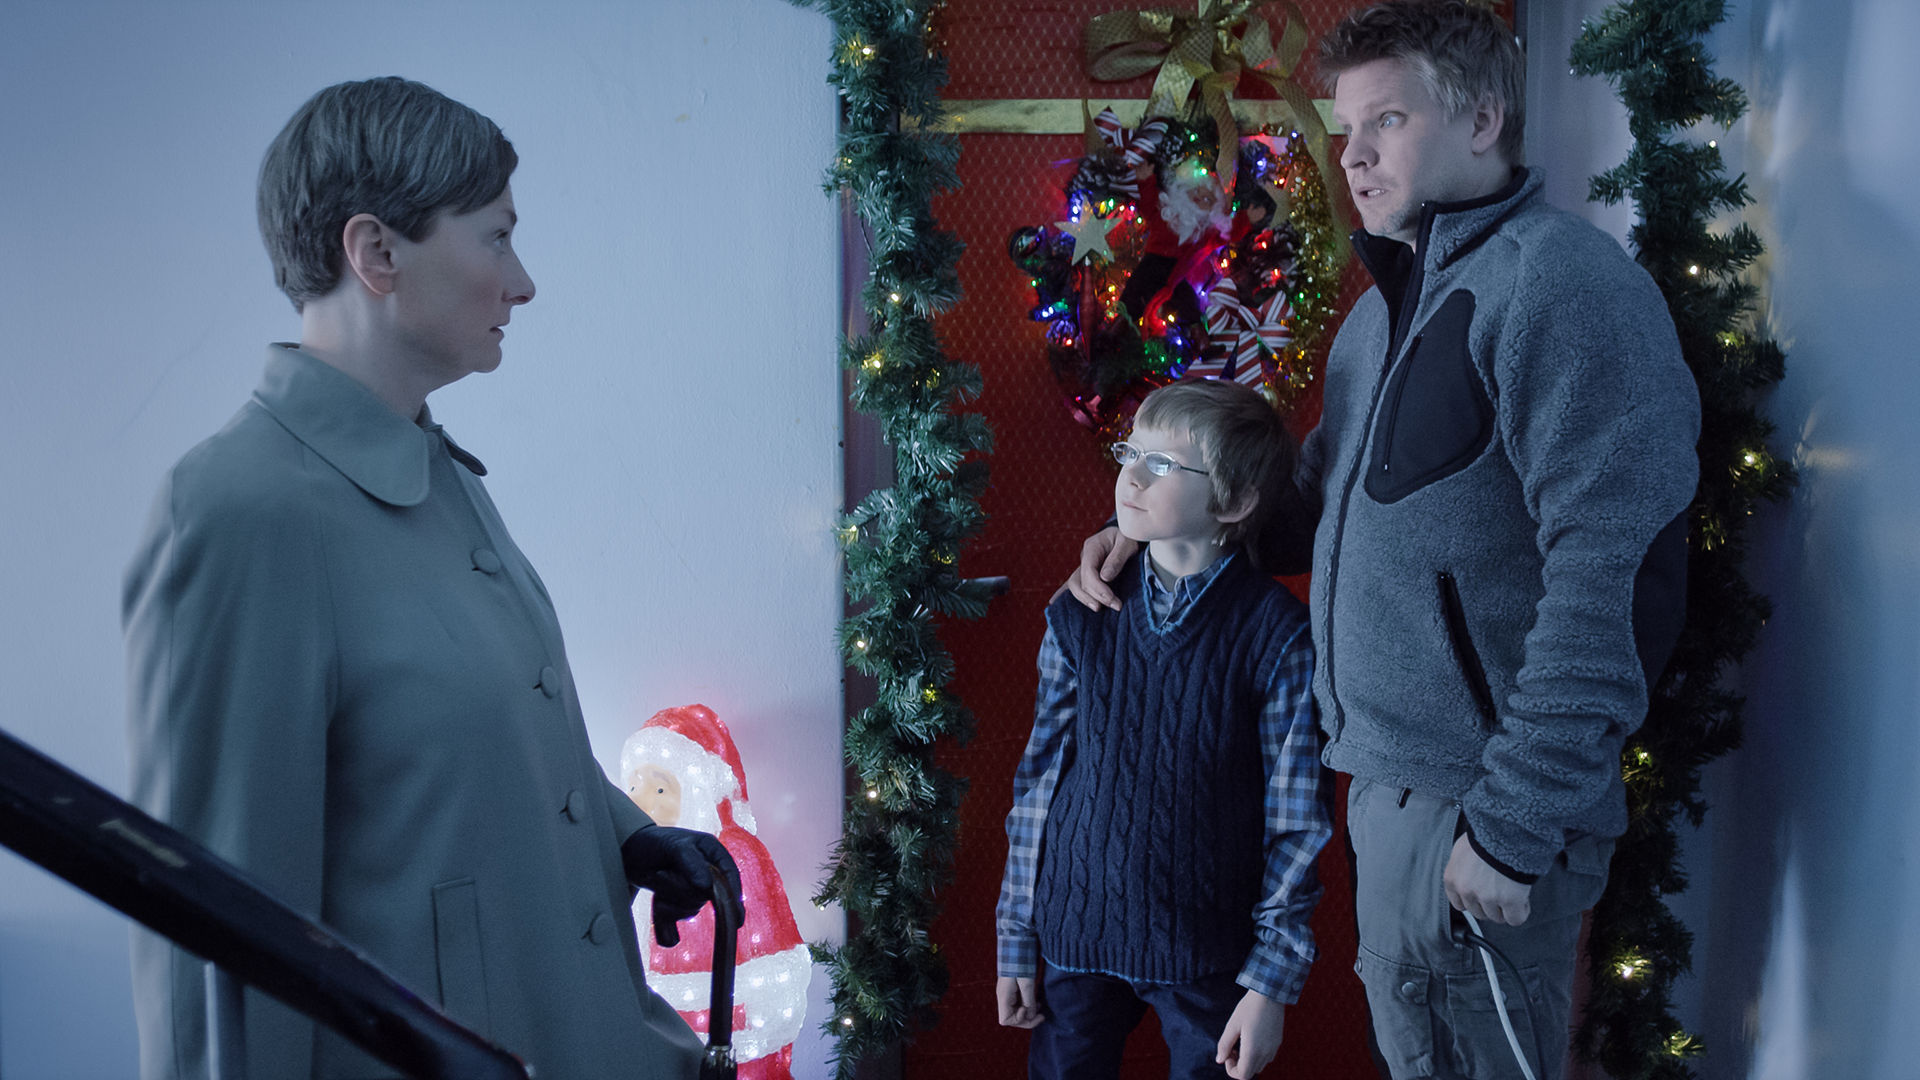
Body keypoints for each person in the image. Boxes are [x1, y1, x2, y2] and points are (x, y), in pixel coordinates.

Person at [1067, 3, 1701, 1077]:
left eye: (1388, 121)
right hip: (1390, 792)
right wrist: (1158, 515)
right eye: (1347, 127)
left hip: (1483, 804)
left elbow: (1615, 577)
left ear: (1483, 119)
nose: (1352, 155)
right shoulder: (1382, 314)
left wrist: (1512, 825)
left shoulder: (1562, 289)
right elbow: (1312, 506)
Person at [123, 76, 740, 1080]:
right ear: (376, 253)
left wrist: (628, 836)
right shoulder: (240, 512)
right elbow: (218, 947)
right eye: (496, 237)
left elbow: (458, 747)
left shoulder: (435, 470)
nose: (522, 283)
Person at [1000, 379, 1331, 1080]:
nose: (1131, 477)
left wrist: (1272, 980)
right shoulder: (1080, 614)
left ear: (1233, 503)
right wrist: (1015, 935)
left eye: (1162, 464)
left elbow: (1298, 820)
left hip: (1206, 948)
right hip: (1074, 933)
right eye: (1131, 454)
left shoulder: (1276, 636)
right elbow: (1038, 785)